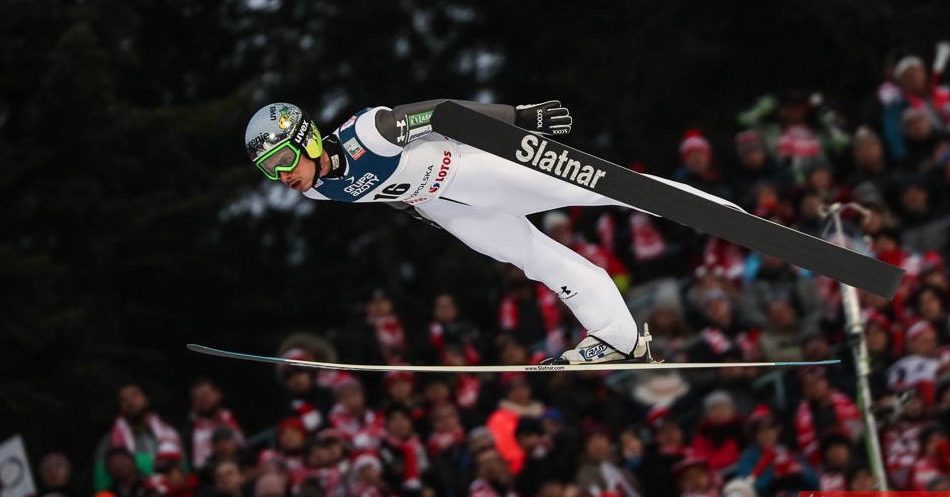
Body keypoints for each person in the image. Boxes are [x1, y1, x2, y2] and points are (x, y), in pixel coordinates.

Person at [244, 100, 745, 364]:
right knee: (535, 258)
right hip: (449, 209)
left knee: (600, 186)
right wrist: (421, 210)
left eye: (283, 159)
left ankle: (726, 215)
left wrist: (519, 119)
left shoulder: (369, 132)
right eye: (269, 170)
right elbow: (381, 191)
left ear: (307, 139)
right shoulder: (317, 191)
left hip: (474, 170)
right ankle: (618, 336)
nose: (281, 175)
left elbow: (442, 113)